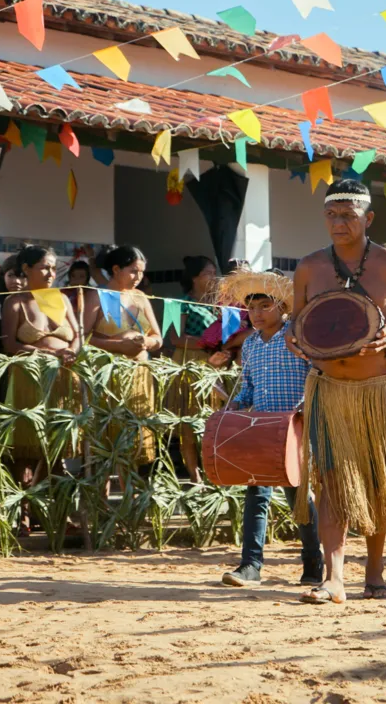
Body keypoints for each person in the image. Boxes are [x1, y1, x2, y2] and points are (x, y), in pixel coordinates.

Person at [287, 179, 386, 604]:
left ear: (368, 218)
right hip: (329, 389)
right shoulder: (309, 267)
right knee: (331, 482)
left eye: (348, 216)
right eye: (332, 215)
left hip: (378, 391)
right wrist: (293, 340)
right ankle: (333, 578)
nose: (339, 223)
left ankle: (374, 574)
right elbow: (297, 323)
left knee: (377, 483)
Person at [218, 267, 323, 588]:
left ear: (283, 307)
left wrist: (307, 405)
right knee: (256, 493)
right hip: (261, 428)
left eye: (265, 306)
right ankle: (251, 564)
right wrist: (235, 403)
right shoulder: (249, 346)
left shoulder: (298, 335)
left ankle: (313, 564)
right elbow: (248, 386)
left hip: (296, 428)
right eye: (252, 307)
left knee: (299, 496)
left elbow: (318, 373)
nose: (257, 313)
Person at [1, 245, 81, 534]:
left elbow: (78, 338)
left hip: (62, 380)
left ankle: (56, 513)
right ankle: (22, 514)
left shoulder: (62, 299)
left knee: (56, 450)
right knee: (26, 450)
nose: (50, 273)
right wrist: (45, 355)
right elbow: (10, 345)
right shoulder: (15, 301)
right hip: (28, 380)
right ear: (27, 270)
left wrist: (71, 352)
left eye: (52, 267)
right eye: (44, 267)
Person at [83, 246, 163, 481]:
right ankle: (101, 503)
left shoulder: (140, 297)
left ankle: (134, 500)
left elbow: (158, 337)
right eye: (132, 271)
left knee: (136, 436)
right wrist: (117, 346)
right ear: (115, 269)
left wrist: (144, 342)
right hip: (108, 375)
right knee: (107, 437)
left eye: (141, 272)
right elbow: (83, 338)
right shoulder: (96, 295)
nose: (138, 277)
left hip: (139, 374)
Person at [167, 255, 219, 483]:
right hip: (189, 362)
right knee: (188, 420)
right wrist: (205, 342)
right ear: (195, 277)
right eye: (208, 273)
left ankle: (211, 470)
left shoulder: (218, 304)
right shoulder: (176, 303)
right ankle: (194, 475)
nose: (214, 278)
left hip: (212, 364)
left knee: (211, 418)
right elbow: (174, 338)